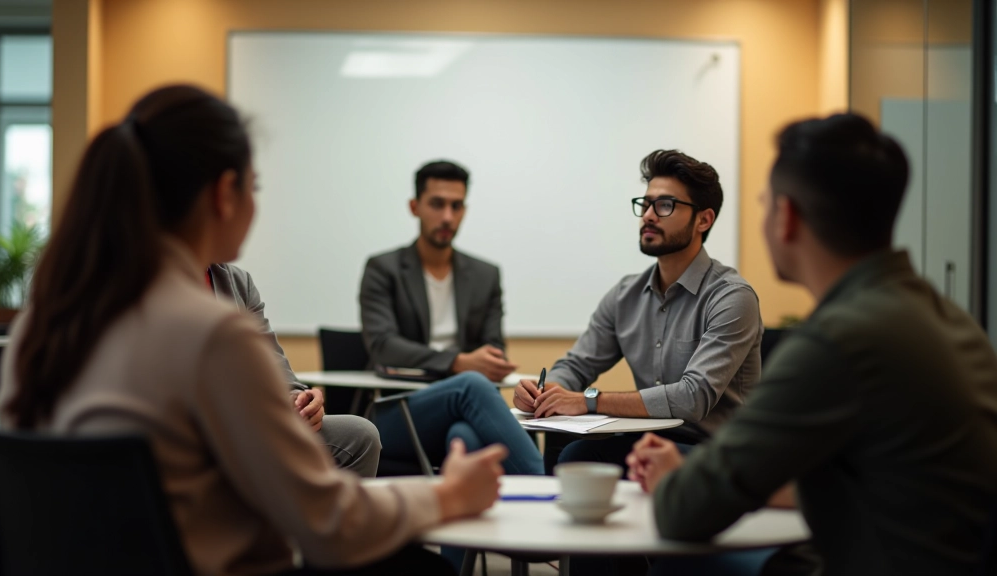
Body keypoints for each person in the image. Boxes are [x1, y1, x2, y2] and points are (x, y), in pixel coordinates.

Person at [0, 85, 508, 576]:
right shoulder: (212, 332)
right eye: (254, 188)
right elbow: (330, 520)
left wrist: (299, 399)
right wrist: (448, 496)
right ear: (224, 193)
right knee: (420, 569)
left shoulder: (45, 318)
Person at [628, 114, 997, 575]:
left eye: (765, 205)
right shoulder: (944, 318)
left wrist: (670, 483)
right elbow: (882, 479)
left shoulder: (839, 340)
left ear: (786, 218)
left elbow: (684, 512)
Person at [513, 149, 762, 470]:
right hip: (653, 439)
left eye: (665, 205)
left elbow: (693, 397)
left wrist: (587, 401)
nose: (648, 215)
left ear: (704, 219)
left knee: (581, 455)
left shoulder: (731, 297)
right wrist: (543, 393)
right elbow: (576, 366)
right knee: (563, 436)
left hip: (719, 451)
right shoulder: (625, 295)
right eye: (645, 204)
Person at [358, 160, 543, 476]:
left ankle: (472, 519)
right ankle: (548, 490)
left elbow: (493, 347)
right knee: (469, 385)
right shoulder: (383, 269)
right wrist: (458, 362)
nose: (447, 217)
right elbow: (383, 345)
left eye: (456, 206)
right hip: (398, 410)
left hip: (465, 409)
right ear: (415, 207)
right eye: (437, 204)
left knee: (467, 437)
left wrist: (493, 362)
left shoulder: (485, 275)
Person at [209, 263, 381, 477]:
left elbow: (276, 368)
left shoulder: (238, 282)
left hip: (254, 425)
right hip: (205, 430)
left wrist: (300, 400)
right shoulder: (160, 280)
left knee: (361, 435)